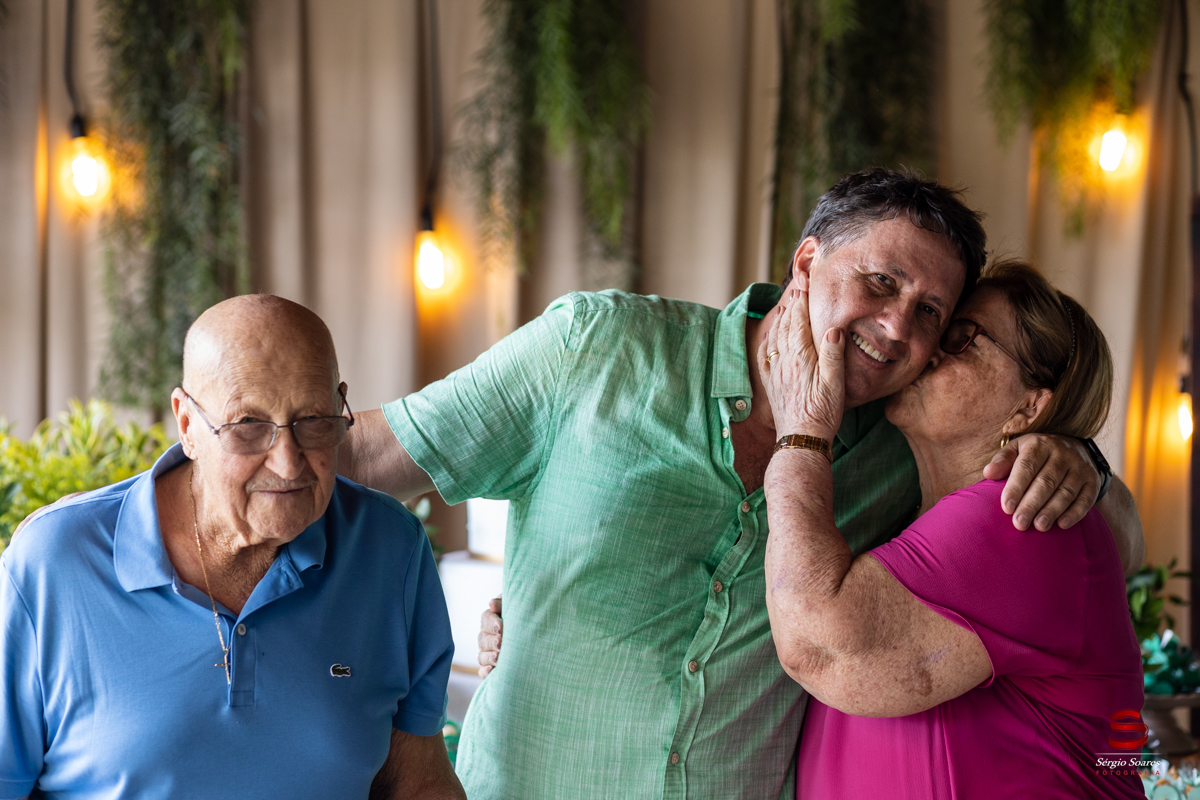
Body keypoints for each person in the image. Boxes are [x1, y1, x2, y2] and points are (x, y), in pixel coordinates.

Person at [339, 170, 1143, 798]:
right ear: (807, 262)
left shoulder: (905, 449)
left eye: (933, 314)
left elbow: (1098, 551)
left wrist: (1078, 457)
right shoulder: (600, 348)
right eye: (881, 282)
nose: (900, 327)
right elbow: (369, 457)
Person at [0, 296, 464, 800]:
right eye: (248, 426)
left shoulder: (391, 549)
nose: (287, 464)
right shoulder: (54, 562)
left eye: (313, 419)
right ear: (187, 425)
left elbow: (418, 783)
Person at [760, 260, 1142, 797]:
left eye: (964, 338)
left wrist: (801, 433)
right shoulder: (916, 512)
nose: (928, 351)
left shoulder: (1018, 517)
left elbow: (818, 647)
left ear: (1030, 405)